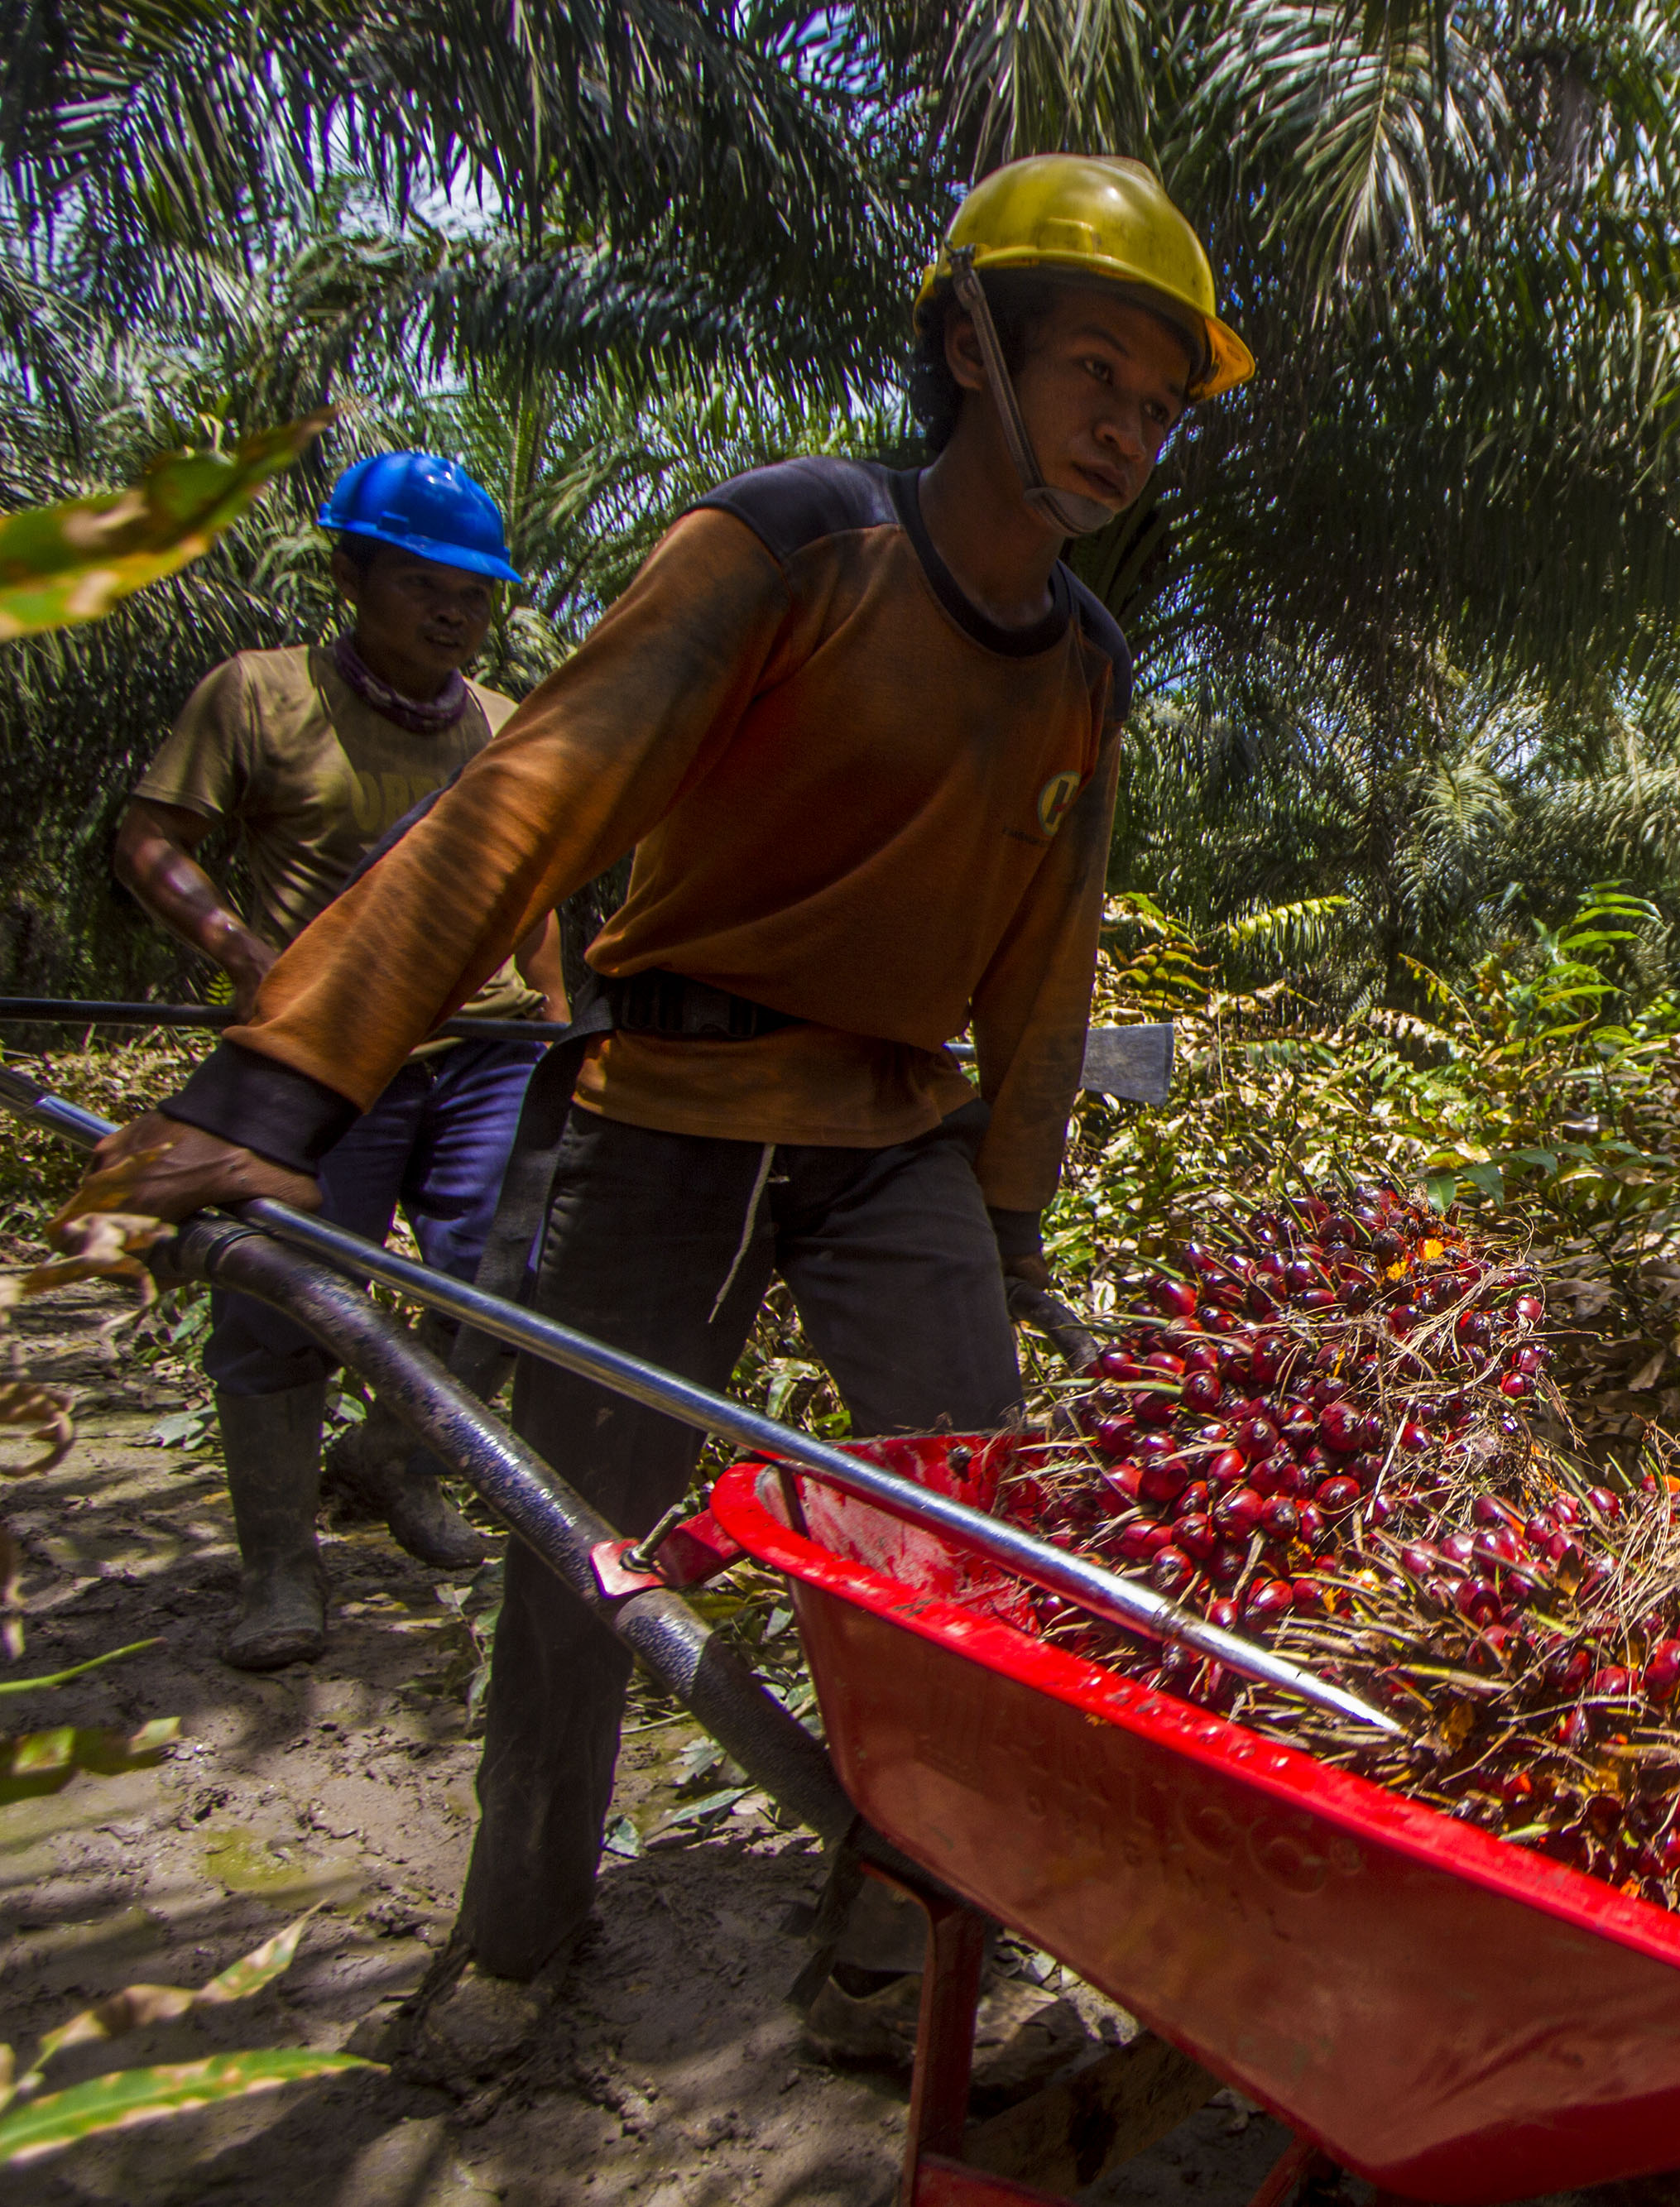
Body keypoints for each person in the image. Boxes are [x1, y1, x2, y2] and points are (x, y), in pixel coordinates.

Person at [77, 155, 1250, 2006]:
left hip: (894, 1140)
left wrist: (1008, 1218)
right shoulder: (793, 542)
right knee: (582, 1539)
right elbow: (530, 797)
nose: (1126, 428)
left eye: (1161, 404)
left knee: (966, 1539)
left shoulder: (1086, 667)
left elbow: (1045, 967)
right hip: (673, 1111)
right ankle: (518, 1937)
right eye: (1094, 370)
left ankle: (890, 1937)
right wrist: (280, 1089)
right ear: (969, 345)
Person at [117, 451, 566, 1669]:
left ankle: (398, 1458)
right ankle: (279, 1567)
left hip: (486, 1050)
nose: (455, 615)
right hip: (329, 1052)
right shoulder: (258, 696)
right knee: (284, 1294)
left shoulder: (503, 725)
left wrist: (562, 1027)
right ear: (352, 573)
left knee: (504, 1282)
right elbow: (152, 838)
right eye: (426, 585)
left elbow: (533, 891)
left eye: (475, 596)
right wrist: (240, 950)